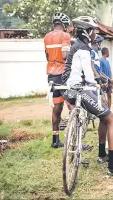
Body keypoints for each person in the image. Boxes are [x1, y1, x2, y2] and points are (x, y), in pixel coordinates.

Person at [61, 16, 113, 175]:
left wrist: (100, 80)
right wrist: (99, 88)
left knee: (103, 115)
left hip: (68, 89)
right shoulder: (84, 49)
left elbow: (89, 69)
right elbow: (88, 73)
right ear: (88, 32)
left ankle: (101, 154)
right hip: (80, 90)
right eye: (94, 31)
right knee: (112, 119)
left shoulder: (76, 45)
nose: (95, 34)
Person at [44, 12, 71, 148]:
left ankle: (55, 140)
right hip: (63, 75)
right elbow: (65, 55)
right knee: (72, 105)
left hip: (51, 75)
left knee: (57, 108)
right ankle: (74, 138)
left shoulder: (46, 37)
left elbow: (47, 55)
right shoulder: (65, 35)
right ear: (64, 25)